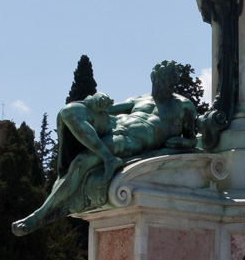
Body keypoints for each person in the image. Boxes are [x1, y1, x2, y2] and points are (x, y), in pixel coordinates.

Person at [12, 63, 199, 235]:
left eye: (165, 81)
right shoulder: (140, 99)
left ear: (173, 82)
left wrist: (184, 143)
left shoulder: (183, 106)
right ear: (152, 78)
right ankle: (107, 157)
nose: (160, 85)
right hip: (112, 124)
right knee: (69, 111)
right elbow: (108, 110)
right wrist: (94, 100)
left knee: (81, 162)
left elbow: (191, 139)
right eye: (157, 80)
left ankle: (39, 216)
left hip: (127, 141)